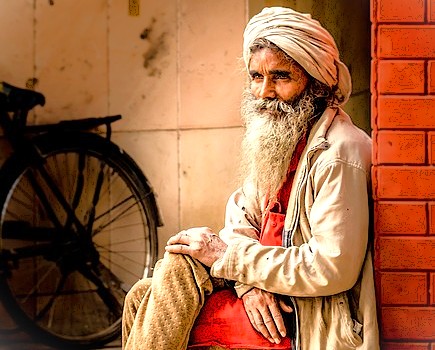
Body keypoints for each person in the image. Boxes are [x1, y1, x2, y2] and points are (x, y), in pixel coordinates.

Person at [122, 6, 379, 350]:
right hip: (267, 293)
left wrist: (232, 261)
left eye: (281, 77)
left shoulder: (339, 153)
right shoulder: (283, 137)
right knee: (141, 295)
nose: (264, 92)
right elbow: (241, 219)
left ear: (316, 84)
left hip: (301, 315)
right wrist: (248, 284)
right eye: (257, 77)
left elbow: (330, 267)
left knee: (168, 281)